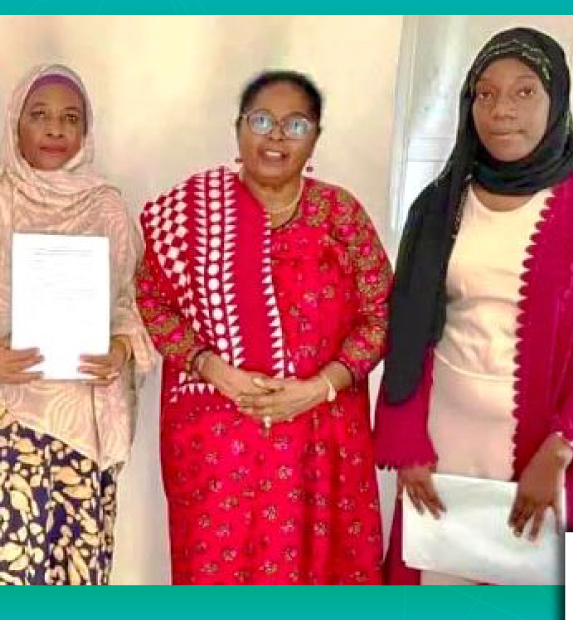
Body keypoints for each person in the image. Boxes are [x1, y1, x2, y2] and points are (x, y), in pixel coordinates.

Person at [374, 27, 573, 585]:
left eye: (524, 91)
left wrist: (561, 451)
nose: (502, 110)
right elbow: (407, 332)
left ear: (556, 101)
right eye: (486, 93)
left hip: (548, 451)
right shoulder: (440, 204)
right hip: (444, 444)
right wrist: (406, 444)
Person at [134, 70, 390, 585]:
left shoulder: (339, 213)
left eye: (295, 125)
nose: (276, 136)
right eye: (262, 121)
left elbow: (381, 313)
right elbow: (153, 301)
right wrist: (212, 368)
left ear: (314, 139)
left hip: (321, 440)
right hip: (217, 447)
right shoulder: (191, 214)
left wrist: (320, 386)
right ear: (238, 129)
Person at [0, 64, 154, 585]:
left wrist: (121, 350)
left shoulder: (107, 206)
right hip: (2, 422)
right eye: (39, 115)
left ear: (86, 130)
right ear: (14, 123)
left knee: (77, 575)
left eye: (71, 118)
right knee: (3, 573)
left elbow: (133, 303)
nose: (55, 129)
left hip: (84, 426)